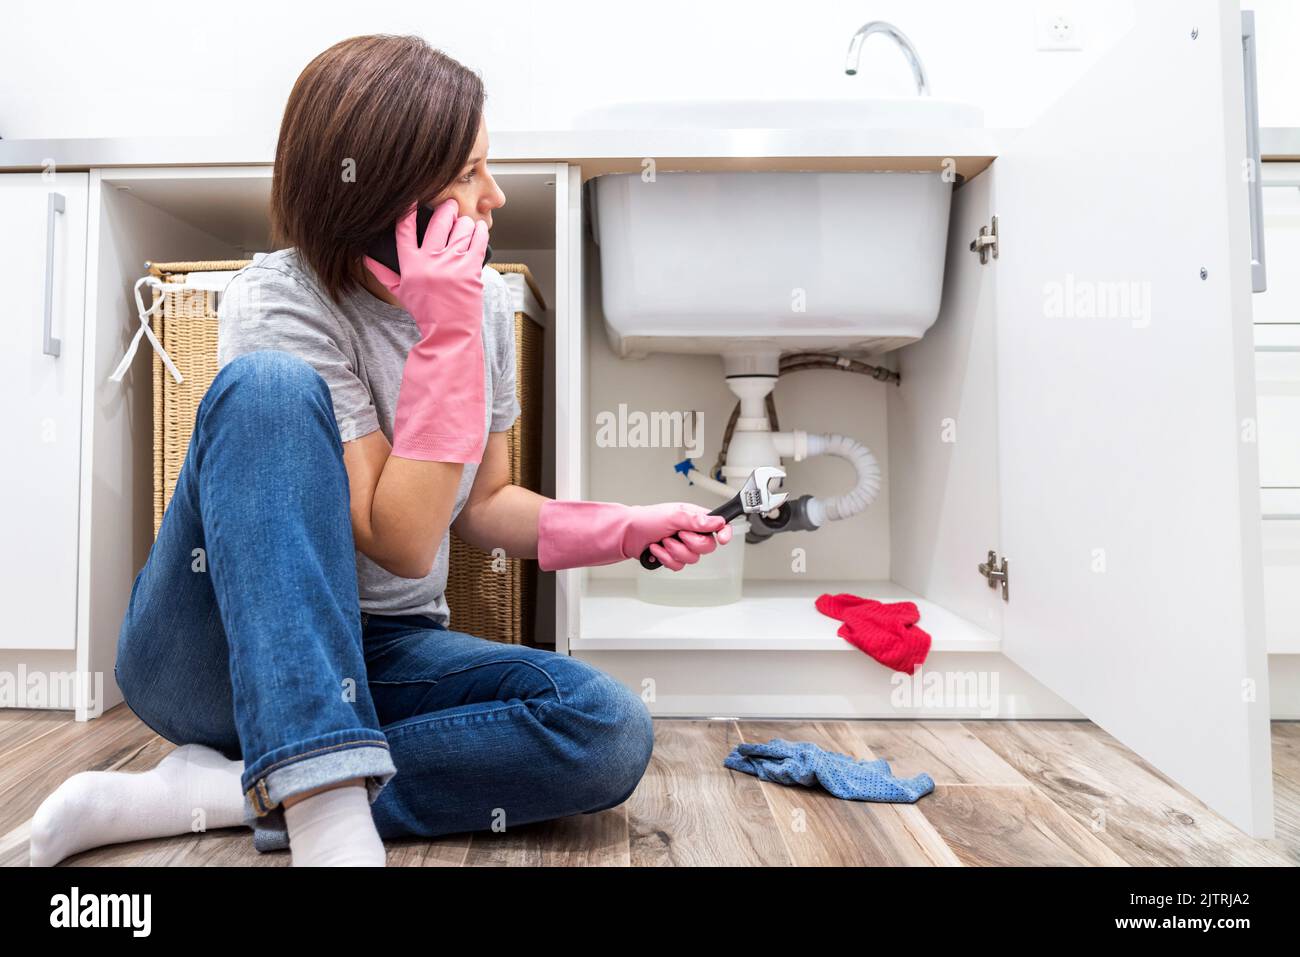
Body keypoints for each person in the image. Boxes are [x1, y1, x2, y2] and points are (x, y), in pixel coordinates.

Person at [29, 34, 731, 867]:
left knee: (606, 727)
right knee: (267, 390)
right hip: (214, 650)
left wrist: (624, 527)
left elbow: (485, 503)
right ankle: (326, 817)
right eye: (470, 173)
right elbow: (397, 535)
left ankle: (224, 792)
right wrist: (441, 342)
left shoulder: (482, 308)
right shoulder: (281, 299)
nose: (495, 196)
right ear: (390, 188)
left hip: (379, 653)